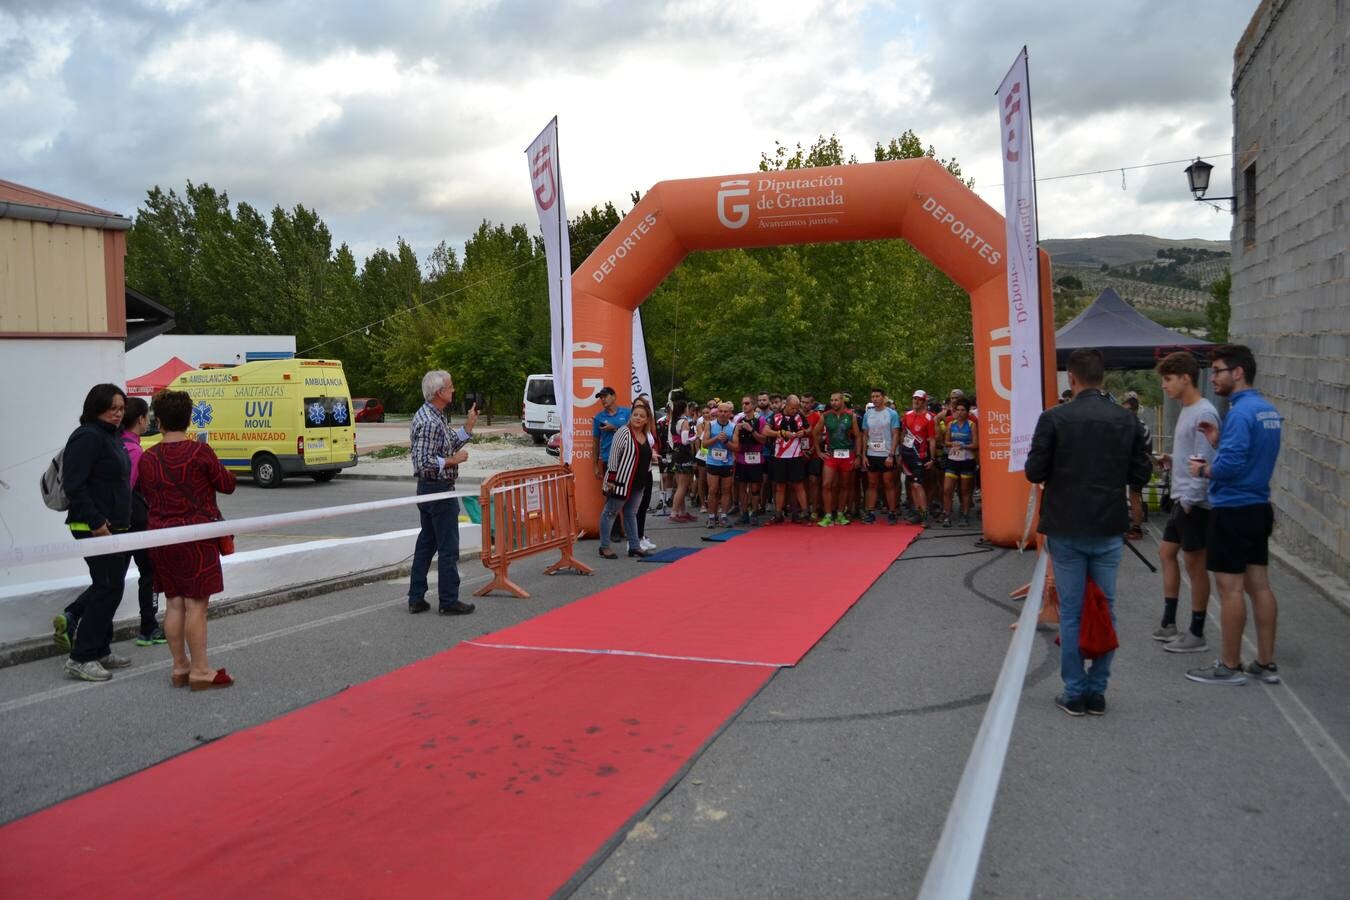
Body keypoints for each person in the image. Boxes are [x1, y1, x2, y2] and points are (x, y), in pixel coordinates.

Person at [1025, 348, 1152, 717]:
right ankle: (1097, 689)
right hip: (1109, 524)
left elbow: (1034, 471)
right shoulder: (1126, 421)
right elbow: (1140, 476)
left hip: (1066, 524)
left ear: (1072, 379)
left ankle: (1074, 689)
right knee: (1106, 608)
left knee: (1072, 612)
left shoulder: (1054, 418)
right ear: (1103, 379)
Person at [1185, 345, 1284, 686]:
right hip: (1258, 507)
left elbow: (1230, 466)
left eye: (1217, 371)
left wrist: (1201, 471)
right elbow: (1249, 454)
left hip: (1232, 509)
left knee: (1229, 588)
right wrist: (1218, 439)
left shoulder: (1240, 413)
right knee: (1260, 586)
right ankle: (1265, 663)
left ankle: (1229, 665)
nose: (1213, 377)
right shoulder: (1266, 410)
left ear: (1238, 372)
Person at [137, 389, 239, 690]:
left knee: (174, 603)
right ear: (189, 417)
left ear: (160, 420)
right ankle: (201, 670)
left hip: (161, 537)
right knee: (196, 605)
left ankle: (179, 667)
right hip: (196, 537)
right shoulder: (200, 452)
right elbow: (227, 485)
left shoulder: (147, 457)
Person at [57, 385, 134, 682]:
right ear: (96, 407)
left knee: (109, 586)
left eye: (121, 408)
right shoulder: (88, 436)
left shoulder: (109, 436)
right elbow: (74, 485)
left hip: (114, 526)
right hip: (94, 528)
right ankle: (81, 657)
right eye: (112, 407)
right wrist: (96, 521)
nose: (118, 413)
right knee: (107, 587)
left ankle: (100, 649)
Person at [1151, 352, 1220, 652]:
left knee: (1195, 566)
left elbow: (1205, 459)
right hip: (1182, 498)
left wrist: (1190, 501)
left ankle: (1196, 632)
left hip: (1194, 503)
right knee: (1167, 553)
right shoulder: (1188, 409)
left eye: (1168, 379)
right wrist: (1172, 459)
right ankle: (1169, 622)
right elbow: (1192, 454)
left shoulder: (1204, 412)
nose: (1164, 386)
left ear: (1185, 378)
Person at [408, 370, 477, 615]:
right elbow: (423, 462)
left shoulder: (433, 415)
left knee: (427, 543)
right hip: (437, 490)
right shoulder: (429, 421)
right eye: (450, 386)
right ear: (439, 392)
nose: (453, 389)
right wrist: (452, 461)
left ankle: (416, 597)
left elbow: (446, 442)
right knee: (448, 547)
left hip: (430, 490)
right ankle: (448, 601)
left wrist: (467, 428)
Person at [122, 396, 164, 646]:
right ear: (139, 419)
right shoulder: (135, 451)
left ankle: (73, 613)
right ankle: (148, 626)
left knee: (111, 579)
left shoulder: (115, 444)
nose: (149, 418)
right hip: (134, 522)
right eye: (146, 414)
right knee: (149, 572)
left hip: (118, 524)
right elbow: (127, 488)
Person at [598, 404, 655, 559]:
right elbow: (614, 456)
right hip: (621, 481)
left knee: (631, 513)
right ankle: (604, 546)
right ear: (631, 416)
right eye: (635, 414)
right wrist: (611, 479)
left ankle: (634, 546)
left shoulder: (645, 435)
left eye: (641, 416)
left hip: (639, 483)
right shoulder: (623, 432)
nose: (637, 418)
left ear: (646, 420)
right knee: (610, 512)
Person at [814, 392, 862, 527]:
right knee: (826, 484)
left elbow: (858, 436)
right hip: (831, 454)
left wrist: (858, 456)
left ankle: (840, 513)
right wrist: (819, 452)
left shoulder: (851, 416)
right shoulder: (825, 416)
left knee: (844, 485)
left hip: (847, 455)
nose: (834, 402)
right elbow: (815, 433)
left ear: (842, 401)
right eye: (832, 400)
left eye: (836, 400)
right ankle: (828, 515)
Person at [765, 394, 810, 524]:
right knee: (780, 486)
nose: (795, 410)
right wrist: (781, 433)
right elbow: (765, 431)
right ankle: (778, 514)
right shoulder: (776, 416)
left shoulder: (799, 416)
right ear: (786, 405)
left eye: (797, 408)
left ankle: (804, 513)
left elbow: (810, 428)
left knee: (798, 485)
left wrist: (805, 432)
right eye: (792, 408)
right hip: (779, 456)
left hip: (796, 456)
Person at [899, 390, 938, 525]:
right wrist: (899, 453)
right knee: (912, 485)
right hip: (906, 454)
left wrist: (933, 459)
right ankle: (917, 514)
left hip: (920, 456)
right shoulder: (907, 415)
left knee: (917, 484)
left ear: (924, 401)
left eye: (919, 399)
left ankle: (925, 515)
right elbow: (903, 434)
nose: (916, 401)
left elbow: (932, 440)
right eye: (914, 399)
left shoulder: (929, 418)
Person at [942, 397, 979, 527]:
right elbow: (945, 442)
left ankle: (965, 514)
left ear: (967, 412)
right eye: (957, 410)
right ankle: (947, 514)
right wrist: (952, 443)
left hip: (967, 460)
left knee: (965, 490)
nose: (960, 412)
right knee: (947, 489)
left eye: (963, 410)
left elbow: (976, 444)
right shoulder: (951, 424)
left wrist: (964, 446)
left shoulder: (971, 425)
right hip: (953, 459)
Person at [630, 396, 660, 551]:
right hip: (635, 473)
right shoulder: (630, 430)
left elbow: (649, 446)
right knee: (635, 507)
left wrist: (653, 454)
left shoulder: (647, 430)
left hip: (647, 471)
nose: (639, 414)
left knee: (644, 506)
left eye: (643, 409)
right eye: (636, 409)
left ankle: (641, 536)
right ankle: (633, 540)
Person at [732, 396, 767, 526]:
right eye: (742, 404)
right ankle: (744, 513)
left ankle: (754, 513)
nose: (744, 406)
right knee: (742, 487)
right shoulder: (739, 420)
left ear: (753, 405)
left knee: (755, 488)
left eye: (747, 403)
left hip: (756, 458)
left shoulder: (761, 420)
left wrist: (751, 429)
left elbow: (763, 440)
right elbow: (734, 440)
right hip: (742, 458)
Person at [700, 401, 736, 527]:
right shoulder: (710, 425)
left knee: (726, 490)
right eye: (720, 411)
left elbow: (736, 447)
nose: (722, 414)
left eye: (726, 412)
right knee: (713, 490)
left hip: (727, 463)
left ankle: (724, 516)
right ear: (717, 412)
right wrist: (716, 438)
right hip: (713, 462)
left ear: (730, 413)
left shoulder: (733, 426)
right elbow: (704, 444)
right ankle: (711, 517)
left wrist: (726, 441)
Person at [1122, 392, 1151, 539]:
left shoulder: (1132, 426)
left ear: (1132, 410)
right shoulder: (1142, 425)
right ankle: (1132, 525)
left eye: (1125, 410)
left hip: (1138, 467)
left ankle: (1137, 528)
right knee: (1134, 496)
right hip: (1141, 466)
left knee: (1134, 497)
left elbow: (1127, 449)